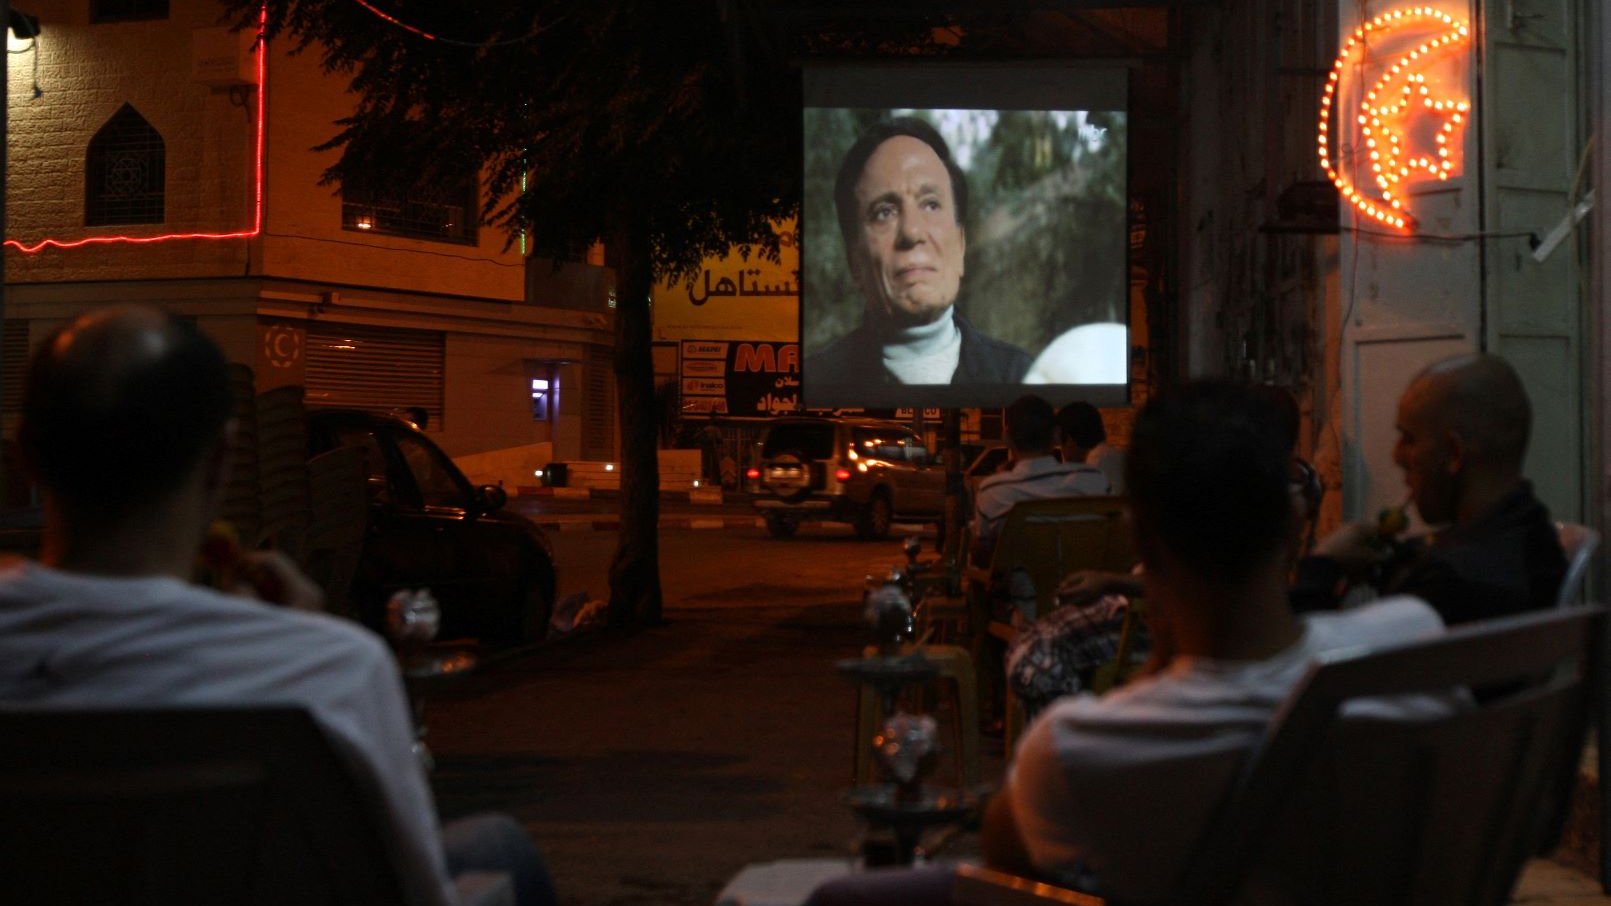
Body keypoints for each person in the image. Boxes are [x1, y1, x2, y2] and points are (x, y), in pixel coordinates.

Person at [804, 381, 1444, 905]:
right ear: (1297, 522)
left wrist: (1159, 664)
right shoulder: (1413, 641)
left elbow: (1006, 868)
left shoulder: (1078, 748)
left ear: (1140, 541)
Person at [0, 307, 556, 906]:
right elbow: (414, 889)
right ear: (222, 460)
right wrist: (305, 636)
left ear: (25, 456)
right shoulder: (331, 669)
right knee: (498, 846)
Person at [1291, 353, 1566, 625]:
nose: (1396, 456)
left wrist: (1322, 567)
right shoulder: (1536, 538)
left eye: (1409, 439)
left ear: (1454, 453)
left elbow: (1307, 650)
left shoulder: (1447, 587)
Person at [805, 117, 1031, 398]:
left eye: (931, 205)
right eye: (884, 212)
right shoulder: (812, 382)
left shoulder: (1023, 377)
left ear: (960, 244)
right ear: (854, 262)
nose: (912, 232)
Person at [972, 395, 1108, 561]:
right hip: (1084, 576)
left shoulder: (992, 491)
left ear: (1006, 436)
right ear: (1056, 434)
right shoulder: (1094, 479)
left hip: (1021, 578)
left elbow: (982, 554)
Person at [1054, 401, 1124, 494]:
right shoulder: (1120, 456)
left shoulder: (1089, 470)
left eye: (1061, 446)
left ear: (1070, 441)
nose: (1063, 453)